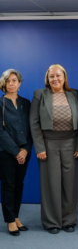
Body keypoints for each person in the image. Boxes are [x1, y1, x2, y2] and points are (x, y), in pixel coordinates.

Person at [30, 64, 78, 234]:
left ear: (64, 77)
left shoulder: (74, 94)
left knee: (70, 183)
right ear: (47, 79)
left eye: (58, 76)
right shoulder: (40, 94)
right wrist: (40, 147)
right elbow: (34, 122)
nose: (55, 79)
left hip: (70, 143)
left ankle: (68, 220)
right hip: (48, 144)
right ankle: (52, 221)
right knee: (50, 183)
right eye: (51, 76)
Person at [0, 69, 32, 236]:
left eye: (14, 80)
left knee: (19, 184)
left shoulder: (26, 103)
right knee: (8, 185)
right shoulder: (0, 104)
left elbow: (32, 128)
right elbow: (0, 132)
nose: (11, 83)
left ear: (19, 84)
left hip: (24, 152)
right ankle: (10, 220)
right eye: (8, 81)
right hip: (6, 152)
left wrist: (25, 150)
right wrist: (16, 151)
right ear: (3, 84)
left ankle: (16, 216)